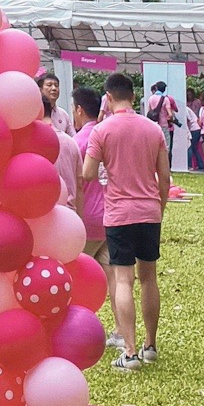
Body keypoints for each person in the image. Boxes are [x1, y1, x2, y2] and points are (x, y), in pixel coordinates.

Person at [80, 72, 169, 372]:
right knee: (149, 278)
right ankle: (150, 345)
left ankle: (130, 352)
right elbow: (165, 177)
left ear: (108, 97)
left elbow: (88, 173)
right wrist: (161, 207)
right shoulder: (153, 128)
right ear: (134, 96)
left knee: (123, 280)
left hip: (118, 212)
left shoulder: (102, 130)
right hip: (149, 211)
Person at [71, 84, 112, 316]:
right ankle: (120, 330)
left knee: (77, 278)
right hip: (111, 217)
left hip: (86, 219)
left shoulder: (78, 142)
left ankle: (79, 322)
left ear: (78, 110)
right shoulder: (108, 136)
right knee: (115, 280)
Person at [38, 71, 74, 137]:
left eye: (56, 85)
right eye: (49, 85)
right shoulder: (35, 113)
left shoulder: (64, 114)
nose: (54, 88)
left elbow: (73, 137)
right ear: (41, 90)